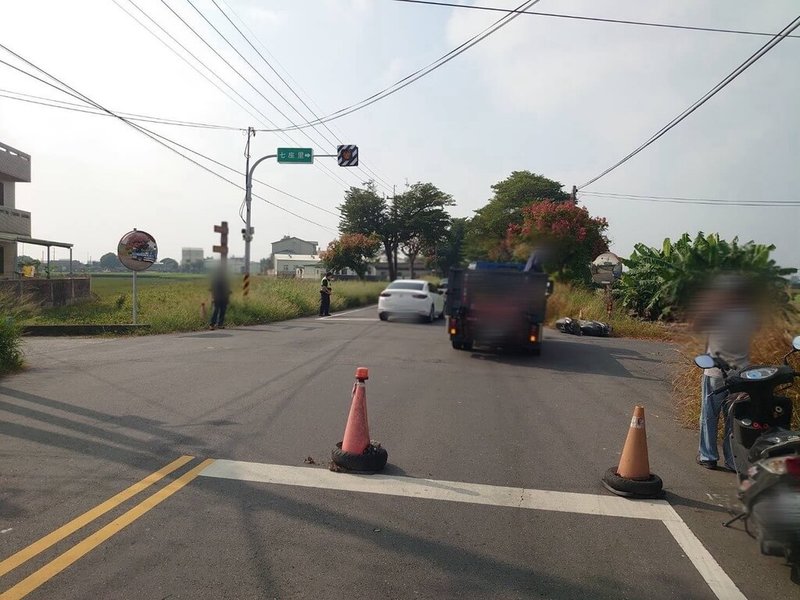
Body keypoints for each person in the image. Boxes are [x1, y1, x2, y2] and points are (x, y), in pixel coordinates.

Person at [691, 275, 758, 472]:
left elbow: (698, 326)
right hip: (740, 375)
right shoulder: (748, 315)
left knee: (709, 416)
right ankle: (732, 460)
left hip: (715, 373)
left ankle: (708, 456)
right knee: (732, 419)